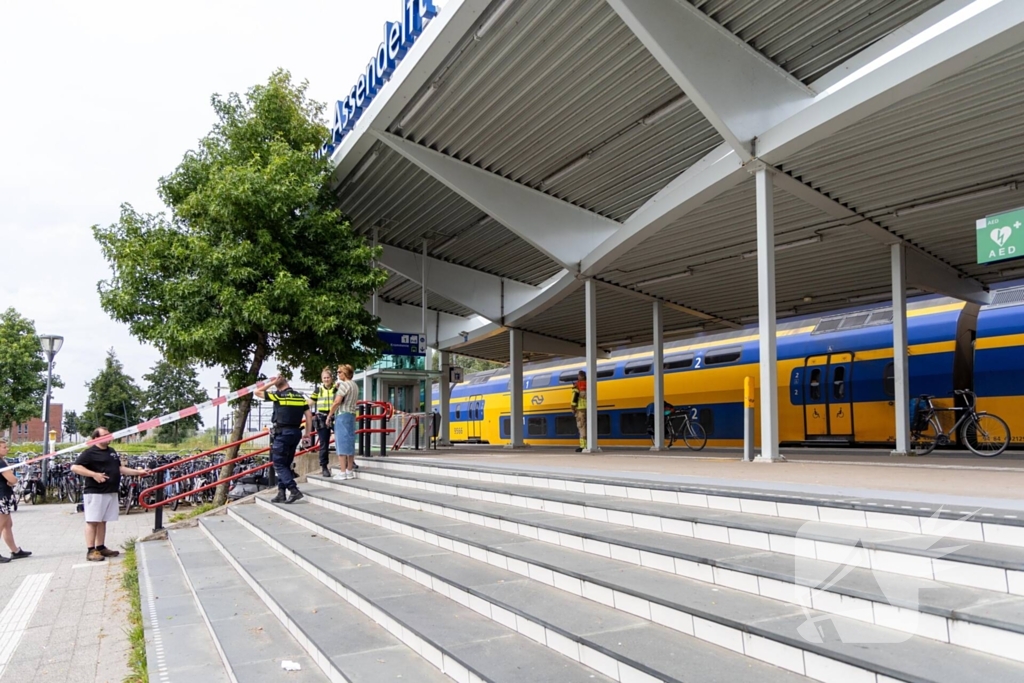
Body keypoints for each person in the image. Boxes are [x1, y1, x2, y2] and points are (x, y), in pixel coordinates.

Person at [70, 428, 151, 562]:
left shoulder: (111, 452)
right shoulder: (89, 453)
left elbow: (119, 468)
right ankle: (90, 550)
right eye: (105, 435)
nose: (109, 437)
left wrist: (138, 472)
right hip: (95, 491)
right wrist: (94, 474)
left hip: (110, 491)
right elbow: (75, 467)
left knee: (103, 520)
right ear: (96, 438)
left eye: (110, 434)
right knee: (93, 521)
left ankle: (100, 547)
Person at [256, 377, 311, 504]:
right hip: (296, 433)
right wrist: (307, 434)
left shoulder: (278, 396)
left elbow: (257, 392)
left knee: (279, 464)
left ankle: (293, 490)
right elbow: (308, 416)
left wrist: (270, 382)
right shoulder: (300, 397)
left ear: (276, 385)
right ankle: (281, 493)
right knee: (286, 464)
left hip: (282, 434)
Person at [0, 438, 31, 562]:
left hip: (3, 495)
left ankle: (15, 551)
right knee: (1, 525)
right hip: (2, 496)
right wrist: (12, 480)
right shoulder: (1, 463)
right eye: (4, 447)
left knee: (8, 524)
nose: (7, 449)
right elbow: (13, 479)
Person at [328, 364, 360, 480]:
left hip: (342, 415)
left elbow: (337, 402)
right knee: (350, 442)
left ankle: (342, 472)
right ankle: (349, 470)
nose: (338, 374)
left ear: (345, 373)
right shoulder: (355, 385)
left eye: (339, 372)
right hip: (352, 414)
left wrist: (329, 415)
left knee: (341, 443)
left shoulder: (344, 385)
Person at [306, 367, 337, 478]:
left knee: (342, 439)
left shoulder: (336, 388)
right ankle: (324, 467)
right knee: (324, 443)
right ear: (321, 379)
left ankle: (349, 461)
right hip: (322, 417)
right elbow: (310, 401)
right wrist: (299, 404)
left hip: (335, 416)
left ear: (332, 378)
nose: (326, 380)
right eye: (324, 378)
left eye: (328, 377)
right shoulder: (318, 390)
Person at [570, 370, 587, 452]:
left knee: (581, 426)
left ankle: (583, 446)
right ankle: (589, 444)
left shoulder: (577, 385)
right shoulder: (588, 384)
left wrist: (572, 408)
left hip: (580, 409)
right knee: (588, 427)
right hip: (589, 409)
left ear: (580, 376)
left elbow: (574, 398)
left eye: (578, 375)